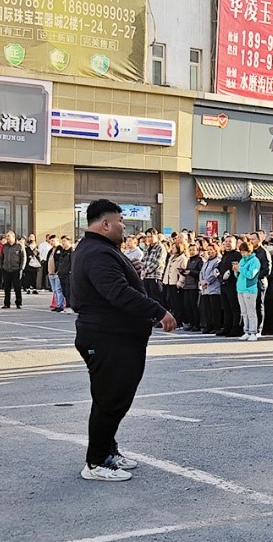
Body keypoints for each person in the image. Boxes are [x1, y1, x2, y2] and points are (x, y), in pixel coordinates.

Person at [69, 199, 177, 481]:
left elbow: (116, 285)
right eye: (119, 220)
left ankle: (108, 450)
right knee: (109, 399)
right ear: (105, 224)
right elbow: (117, 292)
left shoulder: (102, 249)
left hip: (117, 337)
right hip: (106, 337)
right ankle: (96, 462)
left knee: (116, 398)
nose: (124, 226)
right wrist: (158, 311)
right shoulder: (98, 253)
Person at [236, 240, 262, 341]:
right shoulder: (242, 260)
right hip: (240, 288)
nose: (242, 254)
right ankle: (246, 330)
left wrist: (240, 269)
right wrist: (236, 271)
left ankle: (253, 332)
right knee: (244, 312)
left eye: (244, 252)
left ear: (249, 251)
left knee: (251, 311)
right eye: (241, 252)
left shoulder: (255, 261)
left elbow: (251, 274)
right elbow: (239, 274)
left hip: (250, 289)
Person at [198, 242, 222, 333]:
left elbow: (214, 273)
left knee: (214, 309)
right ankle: (208, 325)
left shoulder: (217, 260)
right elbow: (202, 272)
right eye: (208, 250)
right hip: (205, 289)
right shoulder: (207, 261)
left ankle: (216, 326)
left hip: (214, 288)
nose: (209, 252)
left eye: (211, 250)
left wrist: (206, 281)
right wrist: (201, 281)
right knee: (207, 308)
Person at [0, 231, 25, 308]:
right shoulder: (4, 247)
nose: (7, 238)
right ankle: (6, 303)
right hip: (6, 269)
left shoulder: (19, 246)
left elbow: (22, 257)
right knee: (7, 288)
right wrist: (1, 266)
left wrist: (21, 268)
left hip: (16, 269)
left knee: (17, 287)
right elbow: (1, 257)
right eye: (6, 236)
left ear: (13, 237)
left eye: (8, 236)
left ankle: (18, 303)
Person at [180, 243, 202, 332]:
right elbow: (187, 272)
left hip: (194, 286)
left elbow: (200, 273)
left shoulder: (199, 260)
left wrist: (191, 272)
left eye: (193, 250)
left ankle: (196, 324)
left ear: (197, 251)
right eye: (190, 250)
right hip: (187, 285)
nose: (192, 252)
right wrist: (183, 272)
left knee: (193, 306)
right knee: (187, 305)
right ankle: (191, 323)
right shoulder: (189, 260)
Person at [141, 229, 166, 303]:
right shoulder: (147, 247)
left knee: (156, 298)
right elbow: (143, 260)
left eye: (151, 236)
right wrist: (143, 270)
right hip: (145, 277)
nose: (149, 239)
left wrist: (147, 271)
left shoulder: (160, 247)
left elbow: (157, 262)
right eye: (148, 237)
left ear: (156, 236)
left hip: (155, 276)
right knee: (147, 297)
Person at [53, 236, 74, 312]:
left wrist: (71, 272)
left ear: (69, 241)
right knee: (64, 290)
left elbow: (73, 263)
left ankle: (69, 306)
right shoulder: (62, 251)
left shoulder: (72, 251)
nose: (63, 243)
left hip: (68, 274)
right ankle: (67, 305)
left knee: (68, 291)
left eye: (64, 241)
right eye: (62, 241)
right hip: (61, 274)